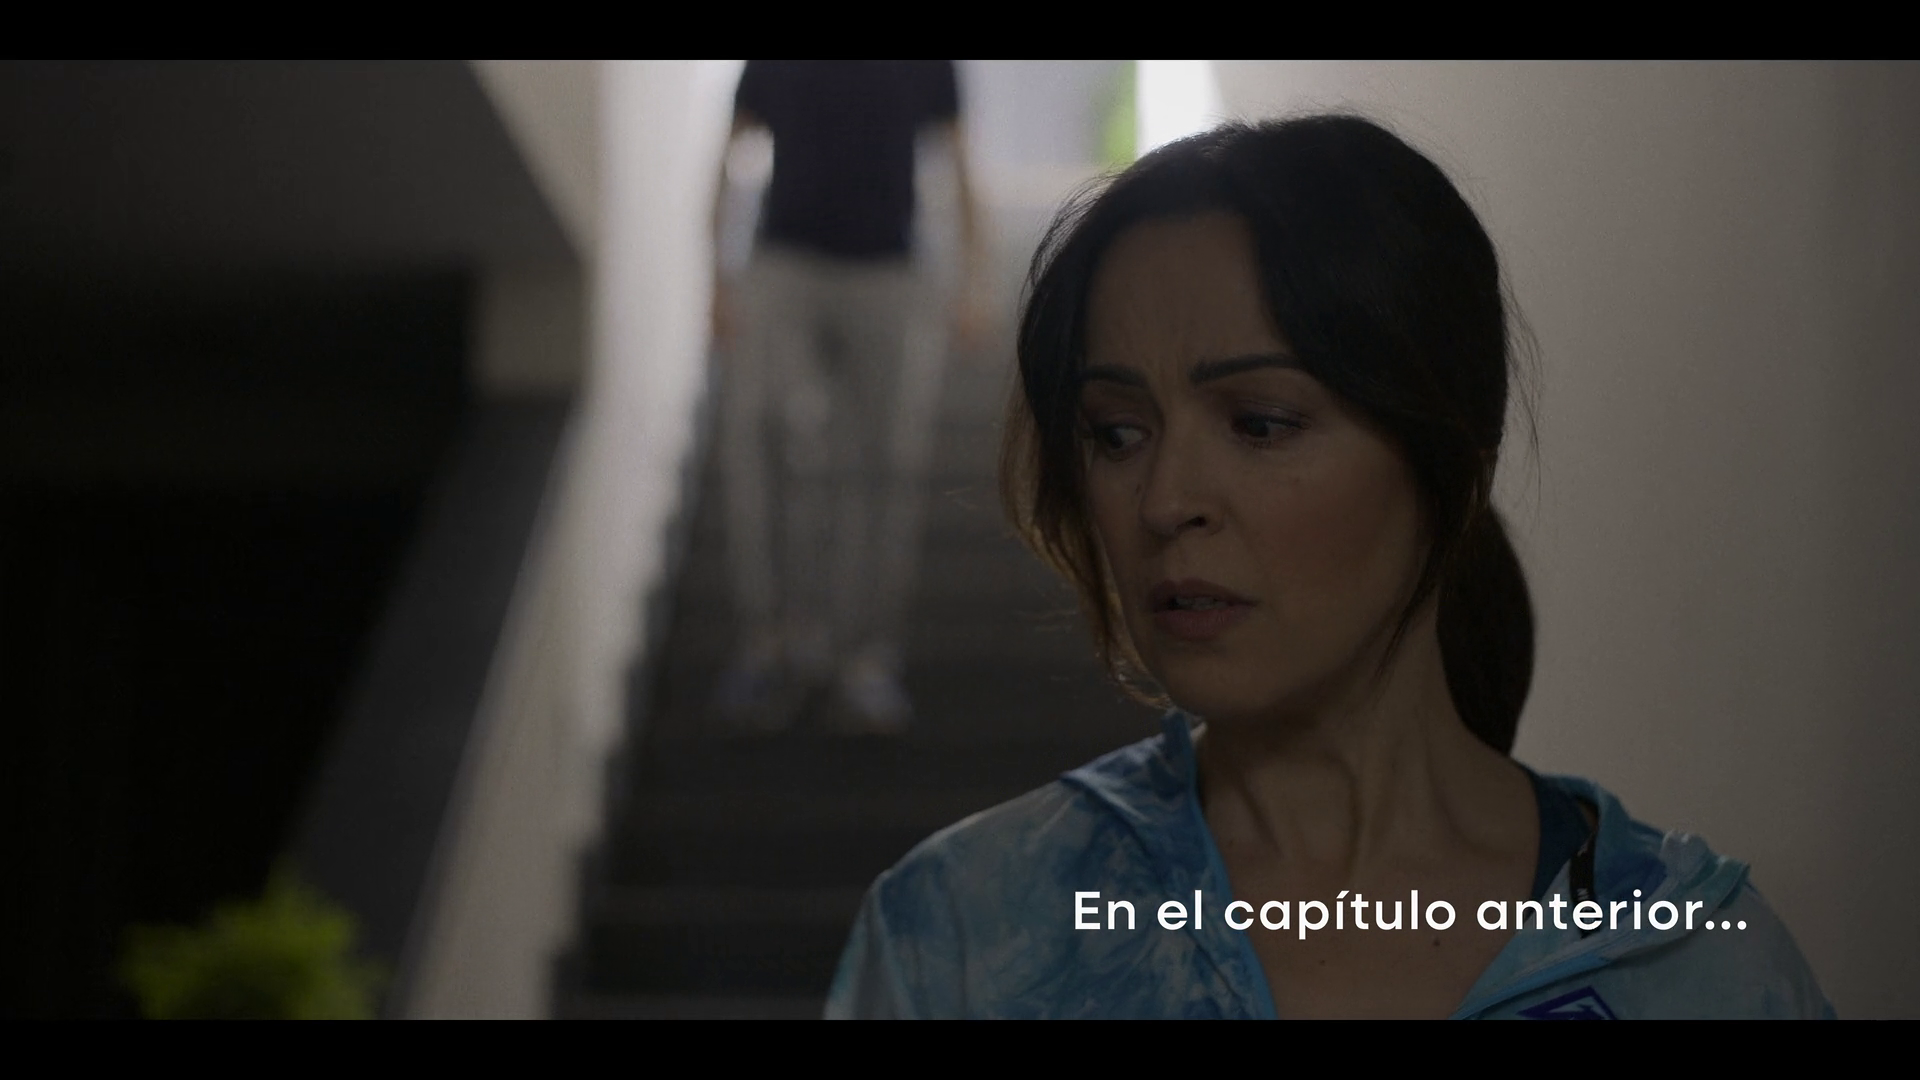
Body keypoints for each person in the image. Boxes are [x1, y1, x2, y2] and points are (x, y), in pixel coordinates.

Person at [823, 116, 1832, 1018]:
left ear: (1451, 457)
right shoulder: (963, 936)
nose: (1166, 500)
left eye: (1261, 423)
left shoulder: (1691, 960)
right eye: (1117, 432)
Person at [709, 61, 985, 733]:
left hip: (890, 270)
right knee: (763, 436)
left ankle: (862, 658)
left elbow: (958, 160)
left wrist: (974, 279)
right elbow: (730, 147)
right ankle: (772, 642)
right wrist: (716, 277)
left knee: (884, 465)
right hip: (784, 263)